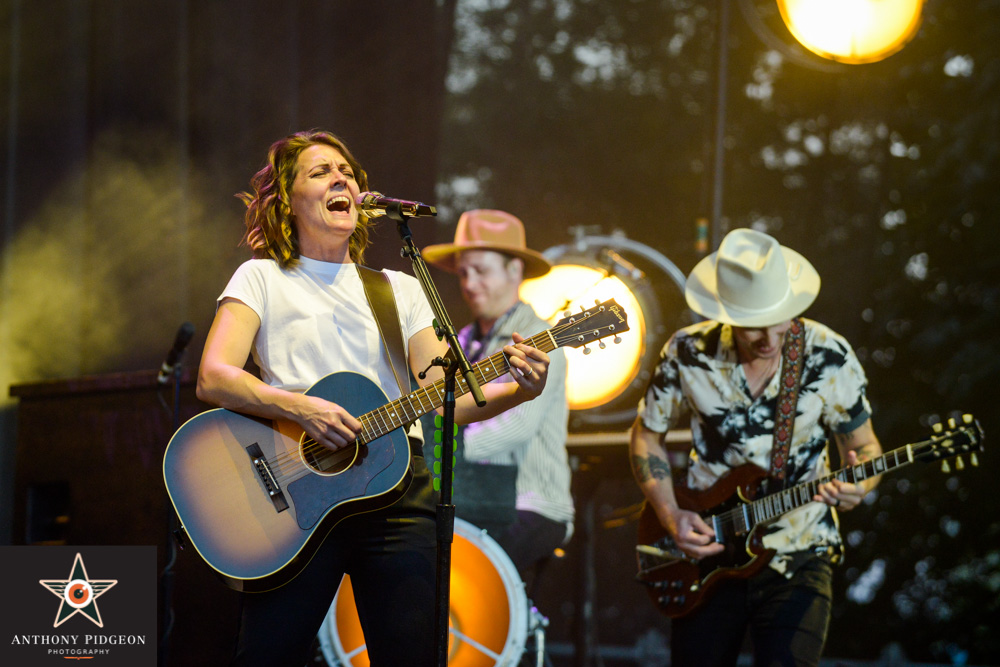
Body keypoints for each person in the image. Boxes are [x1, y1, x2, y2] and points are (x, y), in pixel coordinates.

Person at [195, 130, 552, 667]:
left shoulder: (398, 288)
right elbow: (214, 377)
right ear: (287, 202)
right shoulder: (262, 278)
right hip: (294, 496)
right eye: (320, 172)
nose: (342, 178)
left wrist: (518, 391)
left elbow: (445, 399)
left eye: (348, 173)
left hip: (396, 494)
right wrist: (301, 408)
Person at [629, 228, 883, 666]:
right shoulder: (687, 352)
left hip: (800, 553)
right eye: (751, 325)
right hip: (706, 555)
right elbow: (646, 434)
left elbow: (866, 448)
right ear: (725, 314)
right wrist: (671, 515)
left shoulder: (828, 354)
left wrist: (861, 486)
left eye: (778, 319)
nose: (767, 337)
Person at [422, 209, 575, 586]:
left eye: (481, 271)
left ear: (514, 271)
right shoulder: (460, 341)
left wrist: (434, 451)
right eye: (464, 272)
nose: (470, 283)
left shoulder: (540, 338)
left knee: (463, 583)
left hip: (533, 505)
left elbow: (516, 427)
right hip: (474, 500)